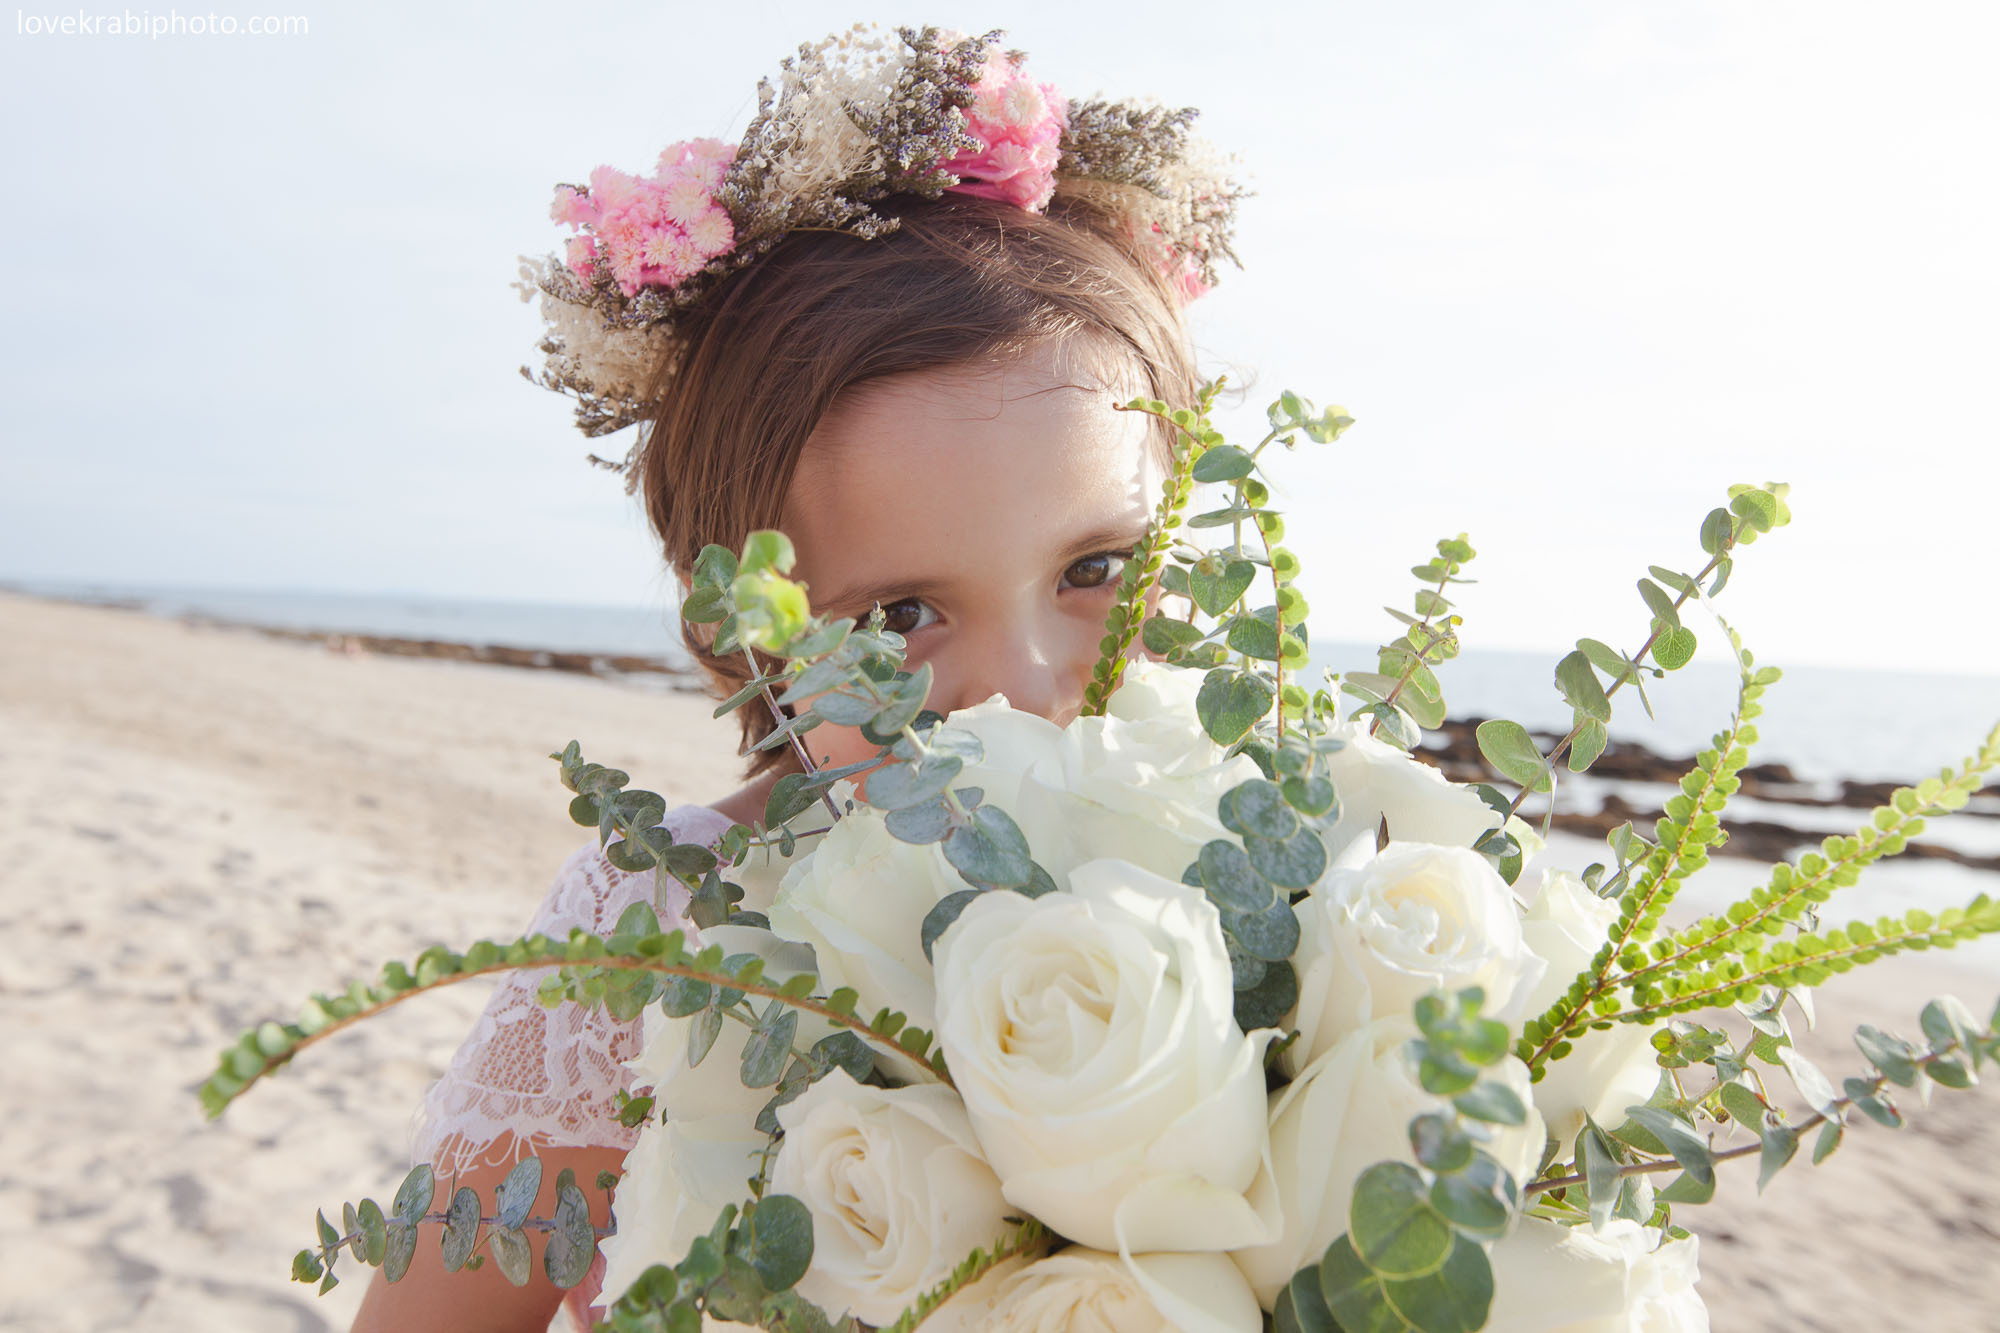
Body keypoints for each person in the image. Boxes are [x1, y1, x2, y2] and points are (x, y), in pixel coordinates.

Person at [350, 24, 1239, 1331]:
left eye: (1098, 567)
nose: (1024, 684)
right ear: (749, 640)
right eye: (901, 613)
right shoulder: (663, 932)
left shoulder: (1263, 876)